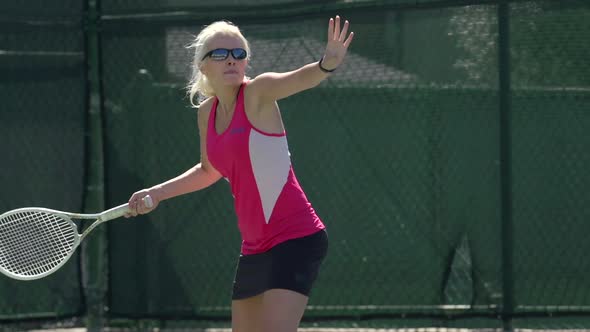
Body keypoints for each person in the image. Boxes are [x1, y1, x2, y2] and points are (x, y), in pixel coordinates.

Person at [126, 15, 354, 332]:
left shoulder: (258, 93)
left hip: (296, 237)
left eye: (239, 54)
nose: (231, 60)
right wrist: (156, 193)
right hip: (254, 247)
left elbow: (298, 79)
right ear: (203, 65)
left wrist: (325, 65)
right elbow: (208, 170)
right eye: (220, 54)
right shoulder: (207, 112)